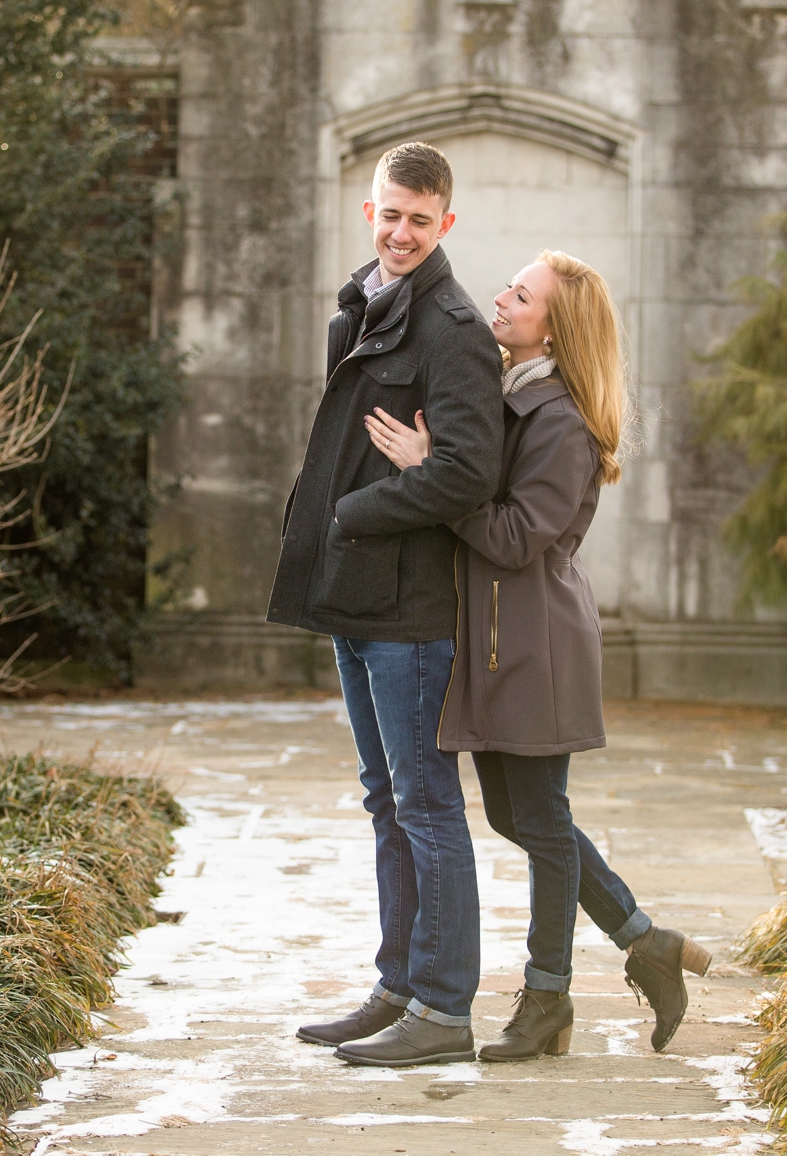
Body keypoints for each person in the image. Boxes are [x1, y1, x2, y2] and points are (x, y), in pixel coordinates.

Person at [363, 250, 711, 1059]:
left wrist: (435, 476)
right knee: (520, 814)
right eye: (511, 288)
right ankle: (644, 940)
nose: (502, 298)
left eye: (522, 296)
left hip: (539, 645)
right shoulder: (516, 398)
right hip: (499, 641)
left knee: (542, 821)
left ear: (554, 327)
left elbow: (517, 538)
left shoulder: (559, 421)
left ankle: (547, 994)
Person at [268, 142, 504, 1067]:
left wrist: (354, 512)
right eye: (389, 214)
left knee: (425, 802)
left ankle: (445, 1010)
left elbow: (468, 472)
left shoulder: (453, 330)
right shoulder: (360, 306)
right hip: (355, 597)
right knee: (383, 799)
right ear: (370, 211)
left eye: (419, 218)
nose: (401, 232)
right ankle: (399, 985)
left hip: (410, 611)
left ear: (445, 223)